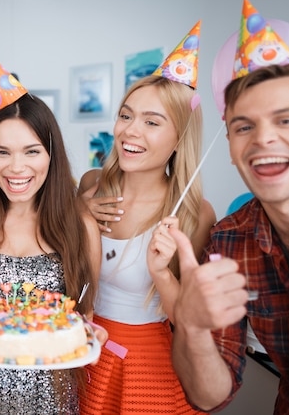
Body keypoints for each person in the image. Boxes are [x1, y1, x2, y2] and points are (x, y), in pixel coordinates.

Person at [168, 61, 289, 414]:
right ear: (231, 146)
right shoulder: (229, 240)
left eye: (286, 120)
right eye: (244, 126)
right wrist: (190, 325)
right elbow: (210, 397)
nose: (263, 138)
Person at [0, 93, 101, 414]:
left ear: (51, 155)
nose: (16, 167)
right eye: (2, 152)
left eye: (32, 151)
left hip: (51, 403)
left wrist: (88, 331)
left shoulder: (81, 228)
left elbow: (85, 313)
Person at [78, 73, 216, 414]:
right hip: (81, 353)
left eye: (151, 122)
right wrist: (76, 214)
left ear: (180, 138)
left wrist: (163, 274)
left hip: (147, 367)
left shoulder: (193, 213)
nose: (130, 131)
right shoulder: (90, 187)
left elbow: (186, 320)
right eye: (126, 115)